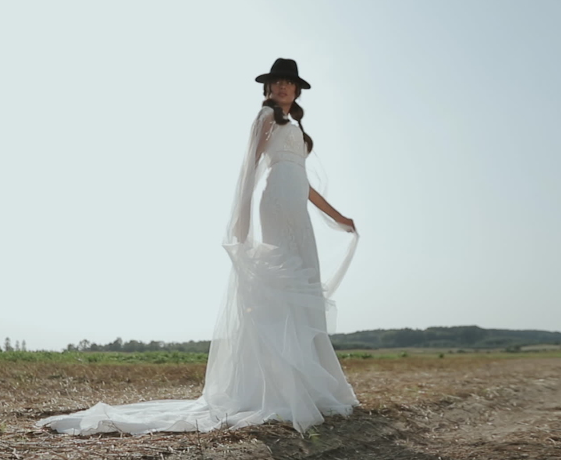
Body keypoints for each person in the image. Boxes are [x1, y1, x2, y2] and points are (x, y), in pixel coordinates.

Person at [37, 58, 359, 435]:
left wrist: (338, 217)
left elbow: (305, 185)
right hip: (273, 205)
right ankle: (274, 387)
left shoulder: (297, 128)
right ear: (268, 88)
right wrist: (241, 222)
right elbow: (249, 168)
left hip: (298, 210)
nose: (283, 88)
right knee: (277, 287)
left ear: (298, 89)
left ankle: (307, 383)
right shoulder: (265, 117)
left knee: (302, 284)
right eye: (277, 82)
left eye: (289, 82)